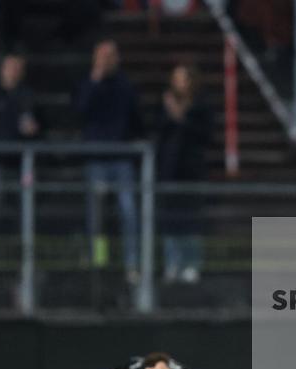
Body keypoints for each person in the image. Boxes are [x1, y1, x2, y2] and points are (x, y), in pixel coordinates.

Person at [76, 39, 144, 284]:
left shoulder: (125, 85)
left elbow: (135, 117)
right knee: (96, 217)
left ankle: (132, 264)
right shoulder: (88, 83)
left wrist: (136, 140)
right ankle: (99, 260)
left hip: (121, 159)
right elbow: (81, 111)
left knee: (129, 213)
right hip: (96, 160)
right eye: (102, 56)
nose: (107, 60)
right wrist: (95, 79)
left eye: (111, 55)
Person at [0, 53, 40, 284]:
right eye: (9, 67)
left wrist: (35, 130)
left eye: (17, 67)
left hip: (22, 163)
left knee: (23, 214)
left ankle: (23, 265)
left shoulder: (27, 96)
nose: (13, 71)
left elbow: (40, 127)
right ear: (1, 70)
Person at [156, 62, 213, 284]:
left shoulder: (201, 106)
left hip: (192, 170)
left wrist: (181, 117)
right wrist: (171, 115)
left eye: (183, 78)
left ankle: (191, 264)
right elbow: (157, 130)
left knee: (190, 222)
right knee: (170, 221)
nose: (179, 83)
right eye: (176, 78)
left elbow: (205, 135)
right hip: (169, 170)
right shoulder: (165, 104)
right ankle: (172, 263)